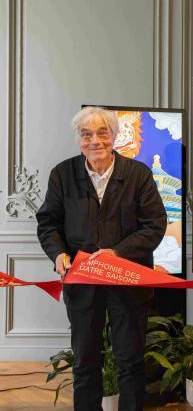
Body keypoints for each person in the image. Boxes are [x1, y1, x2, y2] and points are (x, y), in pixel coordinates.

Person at [36, 106, 167, 411]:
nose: (95, 141)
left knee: (131, 361)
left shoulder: (138, 174)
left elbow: (155, 225)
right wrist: (58, 254)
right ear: (78, 139)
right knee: (85, 361)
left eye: (102, 133)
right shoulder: (63, 174)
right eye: (86, 134)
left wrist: (117, 253)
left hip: (127, 280)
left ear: (115, 136)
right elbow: (48, 223)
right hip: (82, 282)